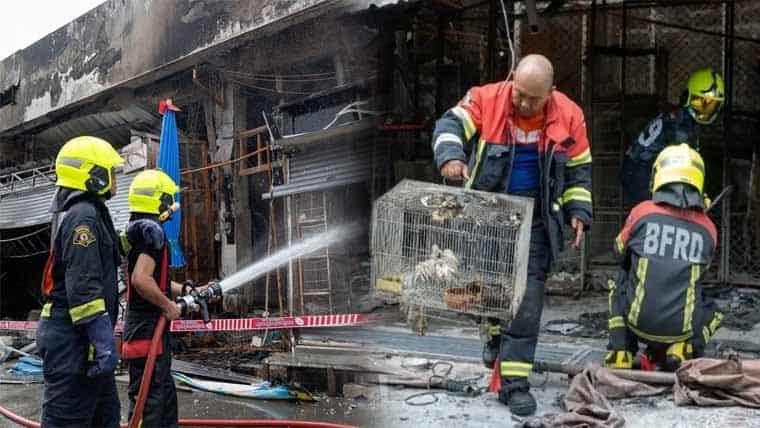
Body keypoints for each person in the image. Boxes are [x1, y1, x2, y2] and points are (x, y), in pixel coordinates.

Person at [431, 54, 593, 416]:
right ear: (512, 81)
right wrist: (451, 156)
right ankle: (492, 336)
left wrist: (579, 212)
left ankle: (515, 384)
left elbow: (580, 170)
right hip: (486, 217)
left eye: (533, 98)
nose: (522, 103)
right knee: (487, 290)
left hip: (536, 220)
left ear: (550, 93)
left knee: (527, 301)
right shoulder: (486, 99)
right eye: (519, 93)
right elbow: (449, 124)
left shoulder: (570, 115)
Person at [606, 144, 723, 372]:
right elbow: (703, 270)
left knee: (619, 282)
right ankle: (681, 349)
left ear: (658, 174)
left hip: (637, 323)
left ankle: (621, 351)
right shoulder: (708, 228)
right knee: (713, 309)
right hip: (681, 328)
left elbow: (618, 252)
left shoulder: (643, 212)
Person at [37, 136, 125, 427]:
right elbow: (84, 289)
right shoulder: (83, 217)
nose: (115, 178)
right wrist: (104, 343)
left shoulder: (91, 213)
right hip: (72, 347)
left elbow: (102, 263)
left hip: (85, 346)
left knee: (105, 418)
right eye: (110, 172)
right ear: (93, 175)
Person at [121, 169, 209, 427]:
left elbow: (155, 279)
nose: (172, 206)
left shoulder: (141, 232)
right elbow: (140, 279)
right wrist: (169, 306)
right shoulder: (153, 234)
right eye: (168, 199)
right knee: (149, 405)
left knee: (164, 400)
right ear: (159, 201)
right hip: (147, 330)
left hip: (145, 330)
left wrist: (185, 291)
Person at [621, 68, 724, 207]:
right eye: (700, 103)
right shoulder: (681, 127)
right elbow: (680, 170)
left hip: (635, 167)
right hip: (641, 172)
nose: (704, 112)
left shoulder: (678, 117)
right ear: (688, 97)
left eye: (711, 106)